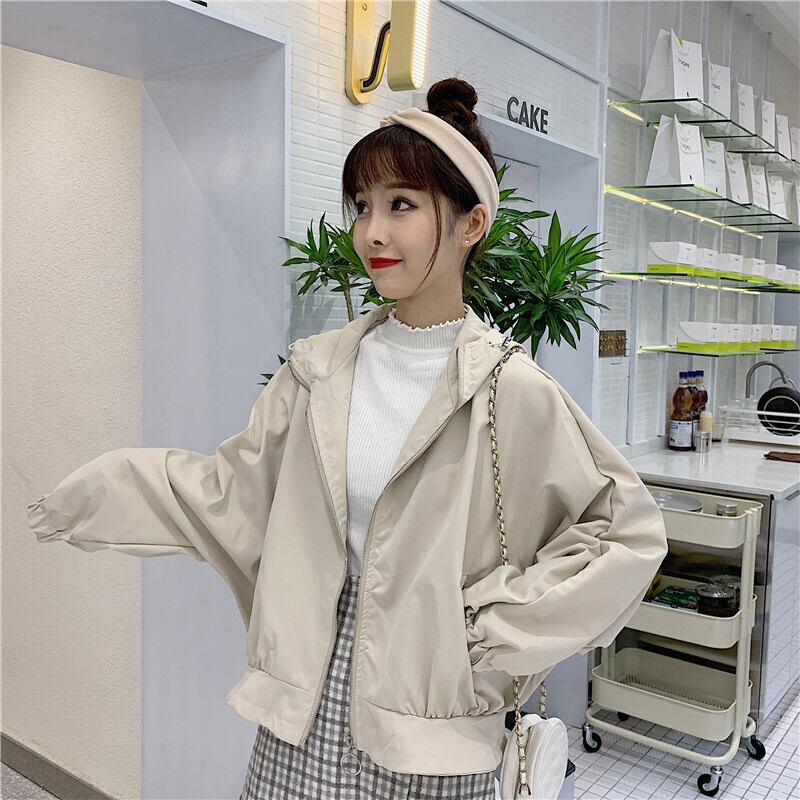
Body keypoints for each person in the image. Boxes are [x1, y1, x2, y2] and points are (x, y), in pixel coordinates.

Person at [27, 77, 668, 800]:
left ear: (471, 224)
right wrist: (100, 490)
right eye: (363, 205)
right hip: (302, 714)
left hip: (432, 735)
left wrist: (490, 626)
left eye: (402, 205)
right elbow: (228, 494)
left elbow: (626, 534)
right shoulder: (319, 373)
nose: (372, 232)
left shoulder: (508, 390)